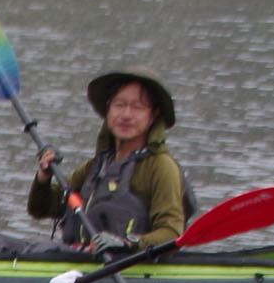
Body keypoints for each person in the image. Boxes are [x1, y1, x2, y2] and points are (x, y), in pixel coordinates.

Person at [28, 66, 188, 249]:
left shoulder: (161, 167)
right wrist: (44, 176)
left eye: (138, 107)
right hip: (79, 262)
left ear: (154, 115)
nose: (126, 115)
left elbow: (171, 233)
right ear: (108, 109)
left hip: (127, 269)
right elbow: (40, 209)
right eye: (119, 105)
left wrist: (127, 244)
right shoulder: (99, 165)